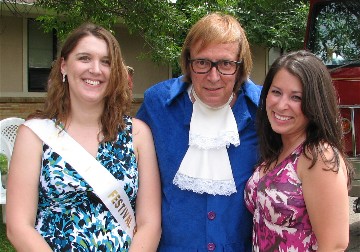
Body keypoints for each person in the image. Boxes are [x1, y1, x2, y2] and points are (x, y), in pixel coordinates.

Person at [6, 23, 161, 251]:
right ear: (64, 66)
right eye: (84, 58)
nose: (96, 69)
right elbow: (18, 226)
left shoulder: (138, 134)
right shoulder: (34, 134)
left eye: (106, 62)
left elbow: (150, 224)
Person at [137, 12, 262, 251]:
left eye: (226, 64)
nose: (213, 77)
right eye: (202, 63)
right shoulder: (158, 104)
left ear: (240, 66)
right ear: (188, 62)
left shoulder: (264, 109)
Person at [244, 50, 354, 251]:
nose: (281, 105)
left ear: (315, 103)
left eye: (296, 97)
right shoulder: (277, 148)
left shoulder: (318, 156)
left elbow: (335, 245)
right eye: (276, 92)